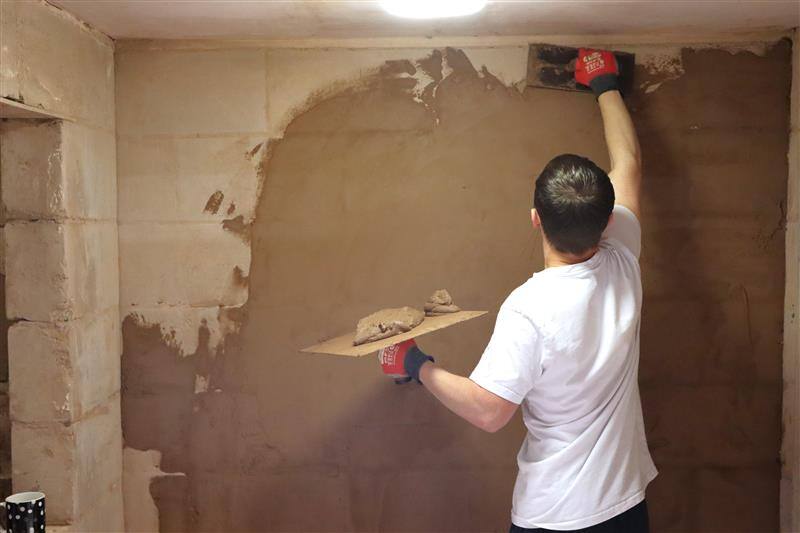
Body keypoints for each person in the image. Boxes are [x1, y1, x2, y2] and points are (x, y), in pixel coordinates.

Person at [377, 49, 657, 532]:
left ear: (535, 219)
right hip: (624, 505)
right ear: (608, 222)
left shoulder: (530, 309)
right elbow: (628, 164)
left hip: (555, 516)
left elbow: (489, 411)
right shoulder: (622, 258)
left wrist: (414, 363)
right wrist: (604, 82)